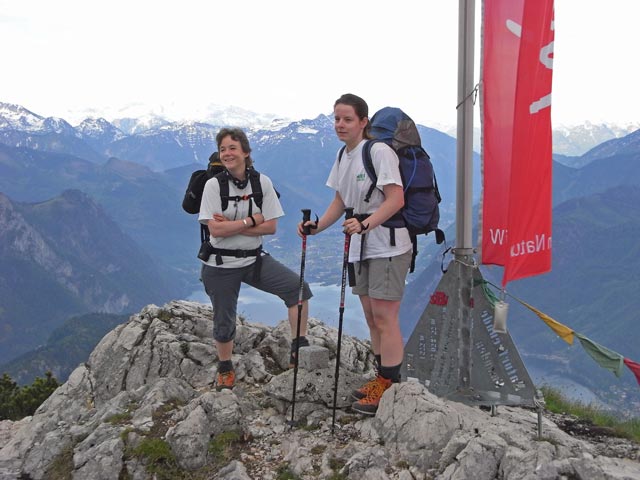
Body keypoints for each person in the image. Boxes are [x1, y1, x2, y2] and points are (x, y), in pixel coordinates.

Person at [298, 93, 411, 415]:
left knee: (385, 318)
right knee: (371, 317)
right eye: (336, 118)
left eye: (347, 119)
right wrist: (316, 227)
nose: (340, 124)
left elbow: (396, 199)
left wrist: (367, 223)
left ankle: (390, 385)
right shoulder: (342, 155)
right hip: (361, 247)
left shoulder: (378, 152)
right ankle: (381, 378)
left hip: (388, 245)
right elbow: (340, 200)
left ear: (364, 122)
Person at [199, 127, 313, 391]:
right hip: (220, 264)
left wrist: (233, 224)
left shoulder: (262, 183)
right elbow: (215, 230)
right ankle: (225, 367)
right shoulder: (213, 185)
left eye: (232, 148)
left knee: (298, 290)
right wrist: (252, 220)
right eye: (223, 149)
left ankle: (299, 347)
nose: (227, 153)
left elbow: (271, 227)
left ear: (246, 153)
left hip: (254, 259)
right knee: (224, 320)